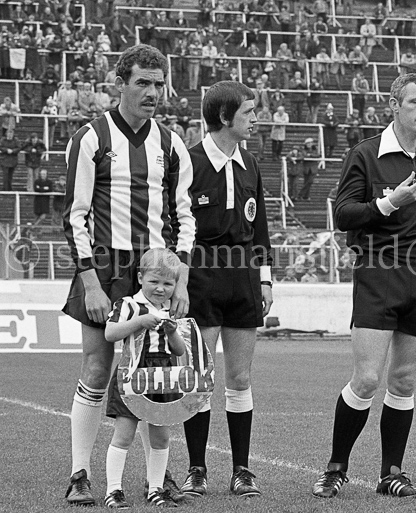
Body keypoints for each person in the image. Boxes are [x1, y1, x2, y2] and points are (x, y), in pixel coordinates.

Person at [310, 73, 416, 499]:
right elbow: (344, 215)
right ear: (394, 105)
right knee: (367, 378)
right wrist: (391, 202)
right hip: (378, 270)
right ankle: (336, 468)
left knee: (405, 381)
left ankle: (391, 472)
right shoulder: (367, 155)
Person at [63, 44, 195, 507]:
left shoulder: (172, 142)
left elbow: (185, 217)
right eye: (143, 82)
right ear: (120, 84)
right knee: (98, 369)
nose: (153, 92)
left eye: (159, 84)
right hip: (104, 267)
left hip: (157, 271)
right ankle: (80, 474)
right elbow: (76, 216)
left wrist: (179, 278)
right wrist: (91, 282)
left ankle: (157, 480)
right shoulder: (91, 137)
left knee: (156, 369)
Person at [180, 81, 274, 498]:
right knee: (200, 378)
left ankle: (241, 470)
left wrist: (266, 277)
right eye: (249, 112)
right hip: (201, 275)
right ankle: (197, 469)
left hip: (243, 276)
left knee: (240, 376)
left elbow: (261, 227)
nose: (256, 119)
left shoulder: (250, 163)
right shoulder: (188, 161)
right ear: (224, 117)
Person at [102, 249, 188, 509]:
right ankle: (113, 490)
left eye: (168, 283)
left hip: (162, 375)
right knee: (124, 435)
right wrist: (140, 321)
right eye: (155, 282)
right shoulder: (128, 305)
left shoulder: (168, 310)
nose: (161, 289)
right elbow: (111, 333)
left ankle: (156, 488)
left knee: (161, 437)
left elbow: (179, 350)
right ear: (140, 277)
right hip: (133, 373)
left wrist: (172, 332)